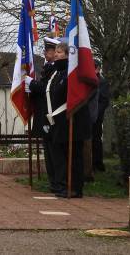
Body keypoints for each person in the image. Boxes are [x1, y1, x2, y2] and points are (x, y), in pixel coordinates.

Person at [45, 42, 92, 198]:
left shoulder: (71, 73)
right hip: (60, 121)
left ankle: (75, 187)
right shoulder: (58, 73)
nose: (56, 54)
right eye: (56, 52)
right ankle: (63, 184)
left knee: (74, 156)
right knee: (62, 156)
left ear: (67, 54)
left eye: (59, 52)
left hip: (73, 121)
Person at [26, 36, 60, 192]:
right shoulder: (48, 67)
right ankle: (53, 181)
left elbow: (47, 88)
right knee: (48, 151)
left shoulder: (55, 69)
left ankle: (57, 182)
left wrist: (32, 84)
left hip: (51, 115)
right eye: (46, 50)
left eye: (49, 50)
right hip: (43, 114)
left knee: (54, 152)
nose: (46, 53)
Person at [92, 59, 111, 172]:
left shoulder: (102, 82)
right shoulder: (90, 80)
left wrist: (97, 113)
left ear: (98, 68)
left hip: (97, 116)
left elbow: (104, 101)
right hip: (89, 115)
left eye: (94, 67)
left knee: (96, 139)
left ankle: (97, 163)